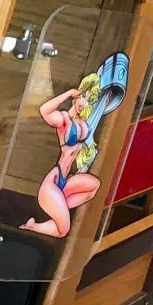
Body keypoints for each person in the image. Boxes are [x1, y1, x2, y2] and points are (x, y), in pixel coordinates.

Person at [23, 51, 128, 239]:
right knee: (63, 231)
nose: (84, 102)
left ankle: (61, 204)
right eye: (82, 97)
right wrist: (69, 93)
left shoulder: (83, 122)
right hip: (53, 182)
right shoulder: (64, 120)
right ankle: (35, 226)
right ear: (76, 96)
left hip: (65, 182)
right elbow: (43, 110)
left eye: (88, 99)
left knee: (93, 186)